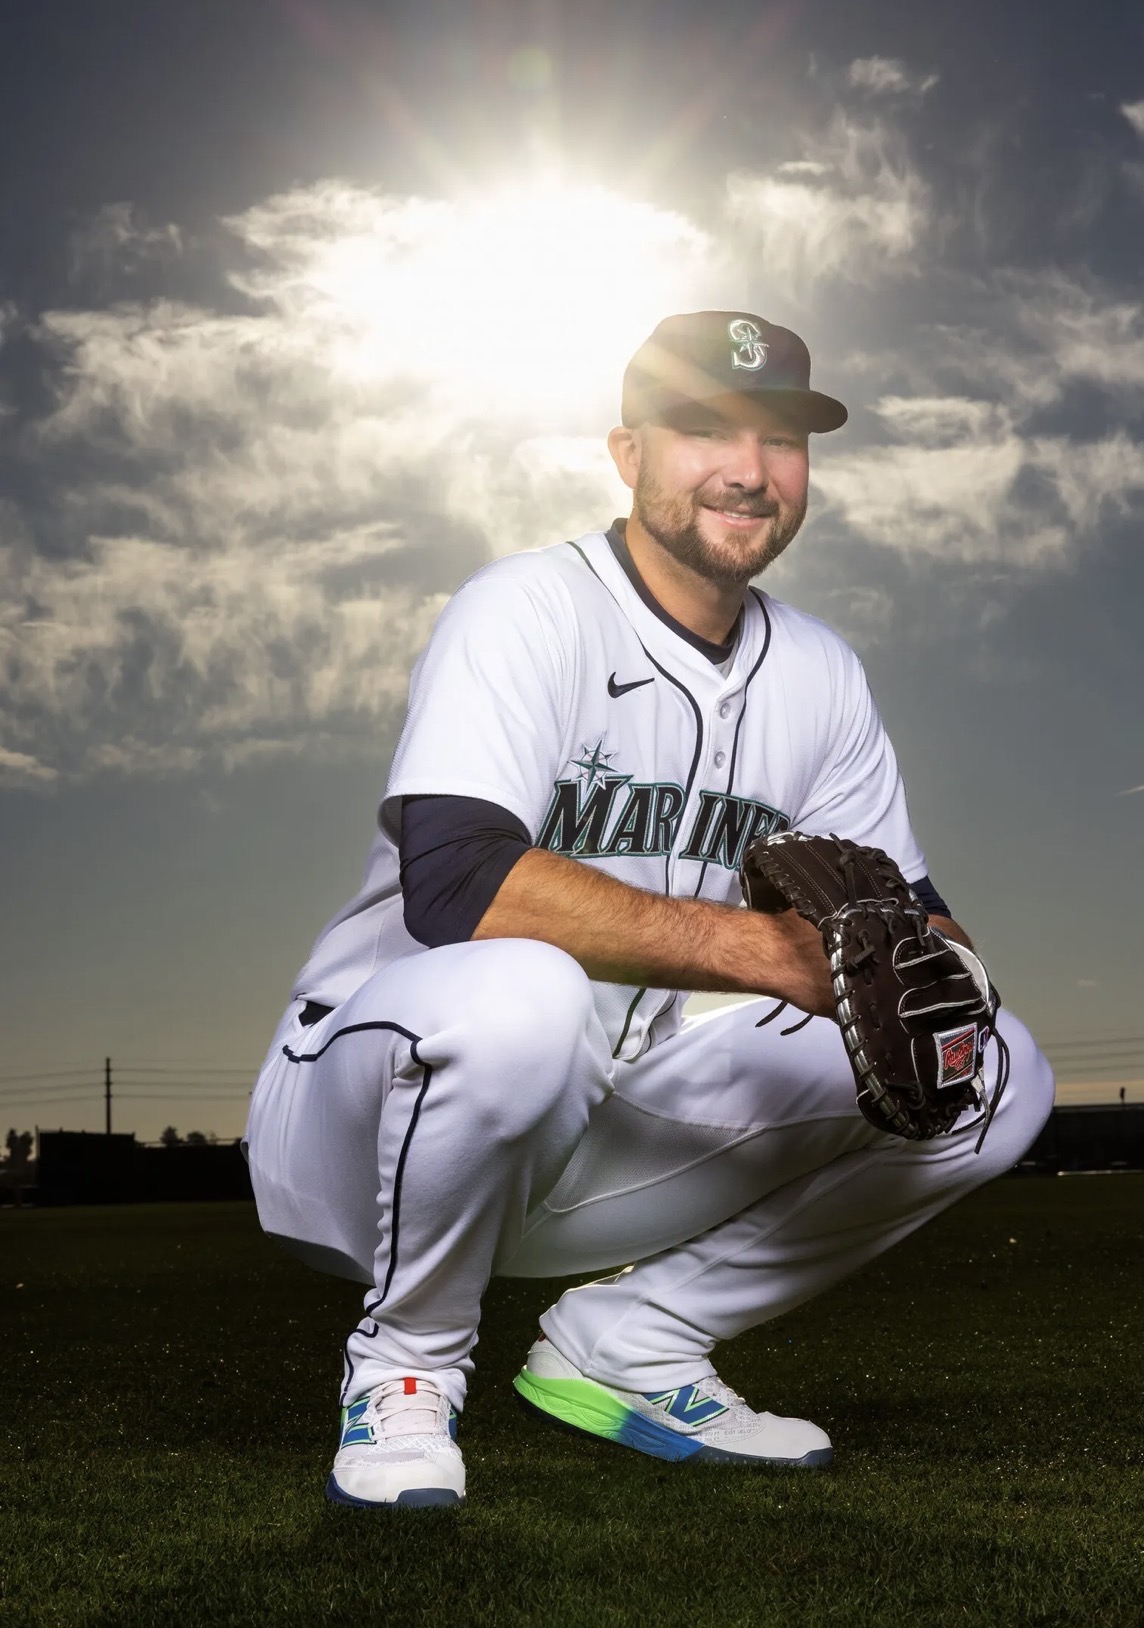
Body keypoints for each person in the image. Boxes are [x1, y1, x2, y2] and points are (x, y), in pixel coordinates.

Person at [244, 310, 1055, 1509]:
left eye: (781, 439)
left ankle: (632, 1339)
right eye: (705, 429)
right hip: (367, 1115)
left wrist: (929, 972)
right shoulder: (525, 607)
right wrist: (770, 951)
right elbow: (458, 880)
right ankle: (406, 1363)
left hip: (603, 1122)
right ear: (627, 453)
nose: (749, 468)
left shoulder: (821, 673)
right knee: (527, 988)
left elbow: (916, 917)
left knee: (990, 1061)